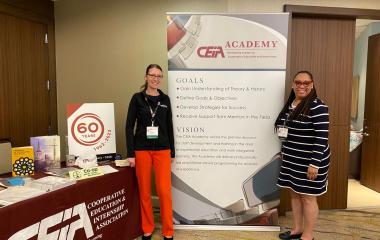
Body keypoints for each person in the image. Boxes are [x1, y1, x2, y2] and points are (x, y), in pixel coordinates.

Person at [275, 71, 330, 240]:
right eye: (298, 82)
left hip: (310, 162)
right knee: (294, 194)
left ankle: (307, 235)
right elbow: (286, 132)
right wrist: (285, 153)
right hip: (292, 159)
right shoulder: (291, 104)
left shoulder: (317, 106)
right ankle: (298, 228)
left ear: (312, 85)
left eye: (306, 83)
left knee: (308, 198)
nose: (302, 86)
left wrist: (314, 164)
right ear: (293, 84)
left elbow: (322, 138)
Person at [126, 64, 175, 240]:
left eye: (159, 76)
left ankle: (168, 231)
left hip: (163, 149)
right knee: (145, 192)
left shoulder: (165, 100)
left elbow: (169, 127)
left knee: (164, 191)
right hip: (142, 150)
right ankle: (148, 228)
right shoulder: (137, 98)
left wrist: (173, 153)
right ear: (146, 77)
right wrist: (131, 153)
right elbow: (129, 126)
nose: (156, 78)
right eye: (152, 75)